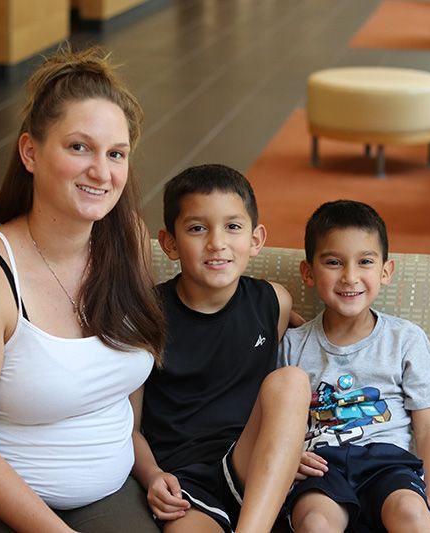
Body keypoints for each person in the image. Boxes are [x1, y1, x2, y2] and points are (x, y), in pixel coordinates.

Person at [0, 46, 166, 532]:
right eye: (79, 147)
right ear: (30, 152)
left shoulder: (126, 236)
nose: (101, 172)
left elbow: (125, 372)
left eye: (116, 154)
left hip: (101, 493)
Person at [131, 163, 312, 533]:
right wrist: (151, 476)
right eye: (197, 228)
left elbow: (318, 345)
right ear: (170, 243)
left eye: (232, 227)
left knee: (291, 380)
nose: (217, 243)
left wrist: (292, 445)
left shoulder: (274, 302)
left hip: (251, 468)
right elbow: (127, 425)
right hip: (183, 480)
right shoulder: (144, 318)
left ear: (256, 240)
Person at [279, 199, 430, 533]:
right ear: (308, 272)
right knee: (314, 521)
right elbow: (275, 421)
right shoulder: (293, 344)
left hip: (389, 465)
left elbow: (428, 427)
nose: (350, 277)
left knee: (410, 512)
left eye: (364, 262)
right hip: (323, 466)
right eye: (333, 262)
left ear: (385, 271)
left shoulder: (405, 339)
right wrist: (290, 459)